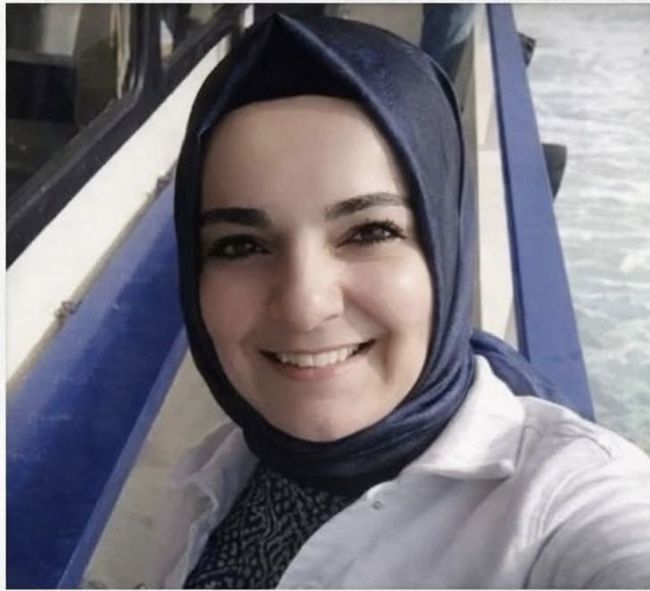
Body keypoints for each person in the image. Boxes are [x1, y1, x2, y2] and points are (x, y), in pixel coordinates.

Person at [152, 13, 650, 589]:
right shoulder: (222, 466)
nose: (304, 306)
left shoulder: (563, 508)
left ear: (444, 248)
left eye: (369, 232)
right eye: (240, 245)